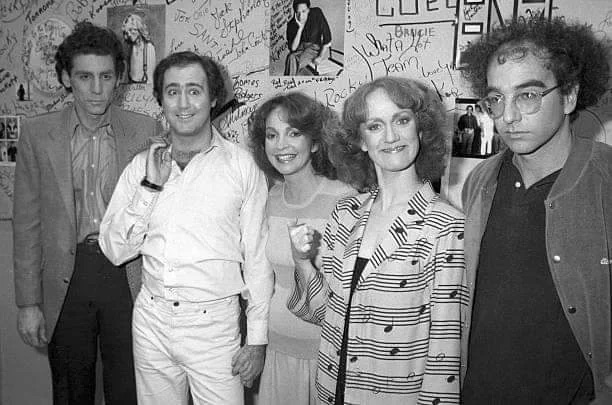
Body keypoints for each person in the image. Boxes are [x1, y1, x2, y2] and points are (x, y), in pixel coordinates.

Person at [99, 51, 273, 405]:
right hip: (151, 320)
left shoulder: (242, 167)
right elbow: (115, 251)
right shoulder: (140, 167)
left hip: (214, 326)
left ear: (213, 98)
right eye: (172, 91)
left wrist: (256, 339)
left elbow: (257, 259)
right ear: (160, 100)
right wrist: (150, 187)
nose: (183, 103)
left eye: (194, 90)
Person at [287, 76, 467, 404]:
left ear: (421, 129)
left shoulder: (446, 226)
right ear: (360, 141)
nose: (391, 136)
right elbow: (324, 312)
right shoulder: (345, 213)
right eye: (374, 126)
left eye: (402, 120)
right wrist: (302, 262)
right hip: (330, 391)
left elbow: (445, 351)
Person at [460, 16, 612, 404]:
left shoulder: (606, 179)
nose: (508, 116)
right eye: (496, 99)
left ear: (569, 96)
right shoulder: (480, 181)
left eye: (527, 95)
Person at [13, 21, 160, 405]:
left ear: (119, 78)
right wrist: (28, 303)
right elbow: (27, 223)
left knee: (129, 391)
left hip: (128, 276)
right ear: (66, 78)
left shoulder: (145, 130)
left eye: (106, 76)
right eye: (84, 76)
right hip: (66, 278)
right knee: (70, 391)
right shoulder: (37, 134)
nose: (96, 89)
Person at [247, 92, 355, 404]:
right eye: (272, 135)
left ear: (315, 142)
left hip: (328, 356)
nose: (281, 145)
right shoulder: (268, 199)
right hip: (277, 351)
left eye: (294, 133)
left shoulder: (345, 199)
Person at [285, 0, 332, 76]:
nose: (301, 16)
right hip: (300, 49)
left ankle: (288, 81)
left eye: (304, 11)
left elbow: (327, 37)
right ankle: (289, 80)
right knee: (291, 57)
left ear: (308, 9)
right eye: (298, 12)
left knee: (294, 62)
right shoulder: (291, 23)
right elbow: (293, 48)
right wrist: (300, 28)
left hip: (313, 48)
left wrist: (320, 56)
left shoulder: (317, 13)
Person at [122, 13, 156, 83]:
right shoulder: (128, 48)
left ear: (139, 29)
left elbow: (151, 79)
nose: (129, 34)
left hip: (145, 85)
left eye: (131, 30)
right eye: (127, 32)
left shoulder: (149, 48)